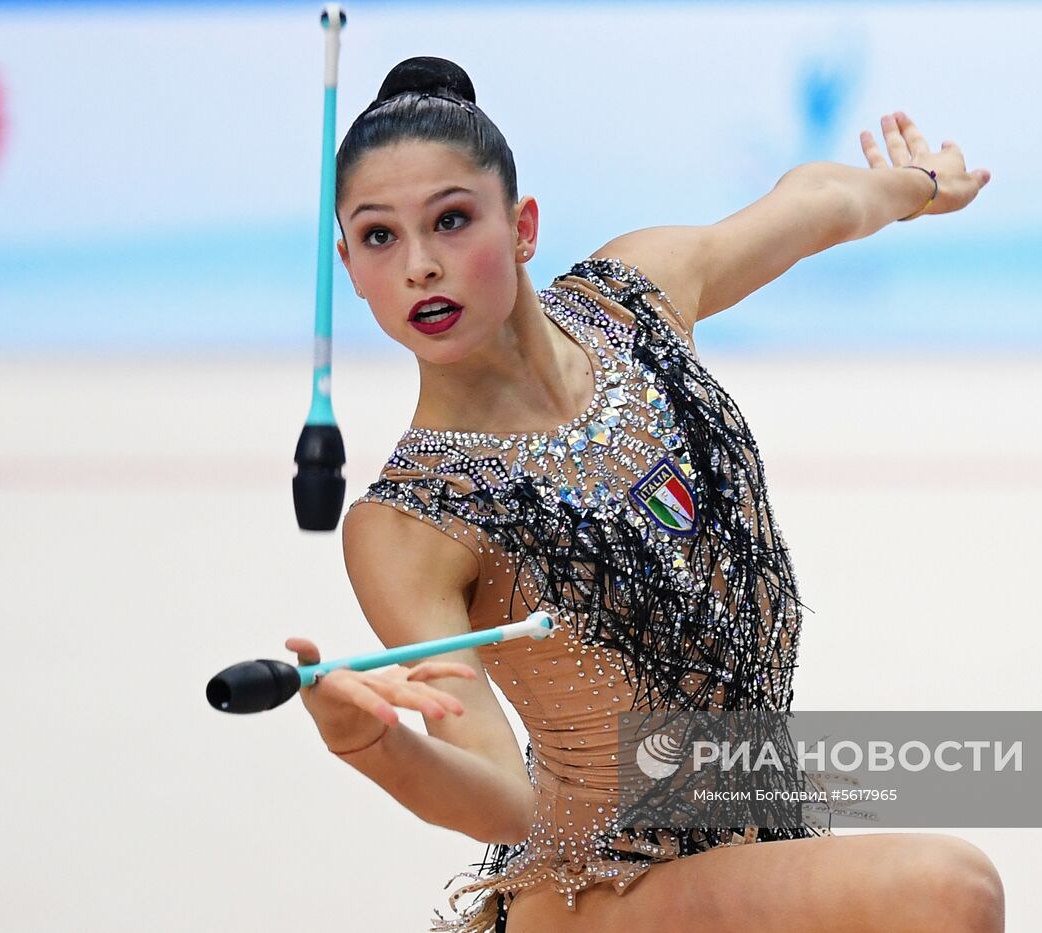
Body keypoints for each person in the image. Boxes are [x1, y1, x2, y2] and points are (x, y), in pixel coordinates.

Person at [285, 56, 1002, 933]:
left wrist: (914, 185)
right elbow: (502, 796)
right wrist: (378, 746)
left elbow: (811, 202)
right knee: (947, 890)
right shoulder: (411, 520)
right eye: (379, 237)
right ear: (349, 268)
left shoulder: (630, 301)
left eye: (452, 219)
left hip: (759, 835)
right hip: (605, 888)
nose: (420, 266)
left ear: (522, 226)